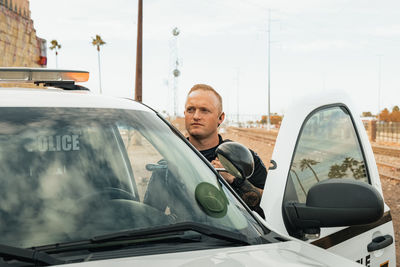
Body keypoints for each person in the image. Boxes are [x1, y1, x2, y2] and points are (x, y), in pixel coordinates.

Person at [184, 84, 267, 218]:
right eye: (190, 110)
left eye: (204, 110)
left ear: (221, 118)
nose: (196, 116)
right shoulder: (172, 157)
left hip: (235, 236)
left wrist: (234, 180)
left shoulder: (244, 158)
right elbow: (153, 211)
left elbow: (269, 203)